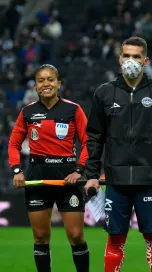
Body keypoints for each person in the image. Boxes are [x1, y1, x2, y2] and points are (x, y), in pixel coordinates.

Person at [84, 37, 152, 272]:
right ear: (119, 59)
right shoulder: (104, 93)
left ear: (146, 60)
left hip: (151, 181)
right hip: (116, 181)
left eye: (137, 57)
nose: (131, 61)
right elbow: (94, 137)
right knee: (115, 240)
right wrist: (92, 174)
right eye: (127, 56)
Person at [8, 64, 90, 272]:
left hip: (67, 179)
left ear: (59, 83)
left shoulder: (73, 109)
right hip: (38, 179)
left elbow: (89, 142)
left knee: (76, 236)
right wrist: (17, 170)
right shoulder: (27, 112)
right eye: (41, 81)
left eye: (51, 79)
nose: (46, 84)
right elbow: (14, 144)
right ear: (35, 86)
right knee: (40, 237)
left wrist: (79, 171)